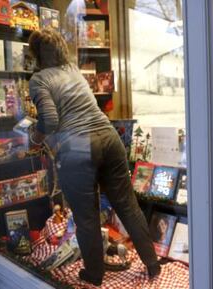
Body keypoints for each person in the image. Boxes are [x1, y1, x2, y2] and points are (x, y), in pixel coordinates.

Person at [28, 29, 160, 286]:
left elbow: (51, 120)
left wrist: (34, 139)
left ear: (35, 54)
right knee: (127, 205)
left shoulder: (39, 79)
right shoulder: (73, 70)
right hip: (109, 137)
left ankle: (94, 274)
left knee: (86, 215)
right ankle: (152, 263)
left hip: (78, 146)